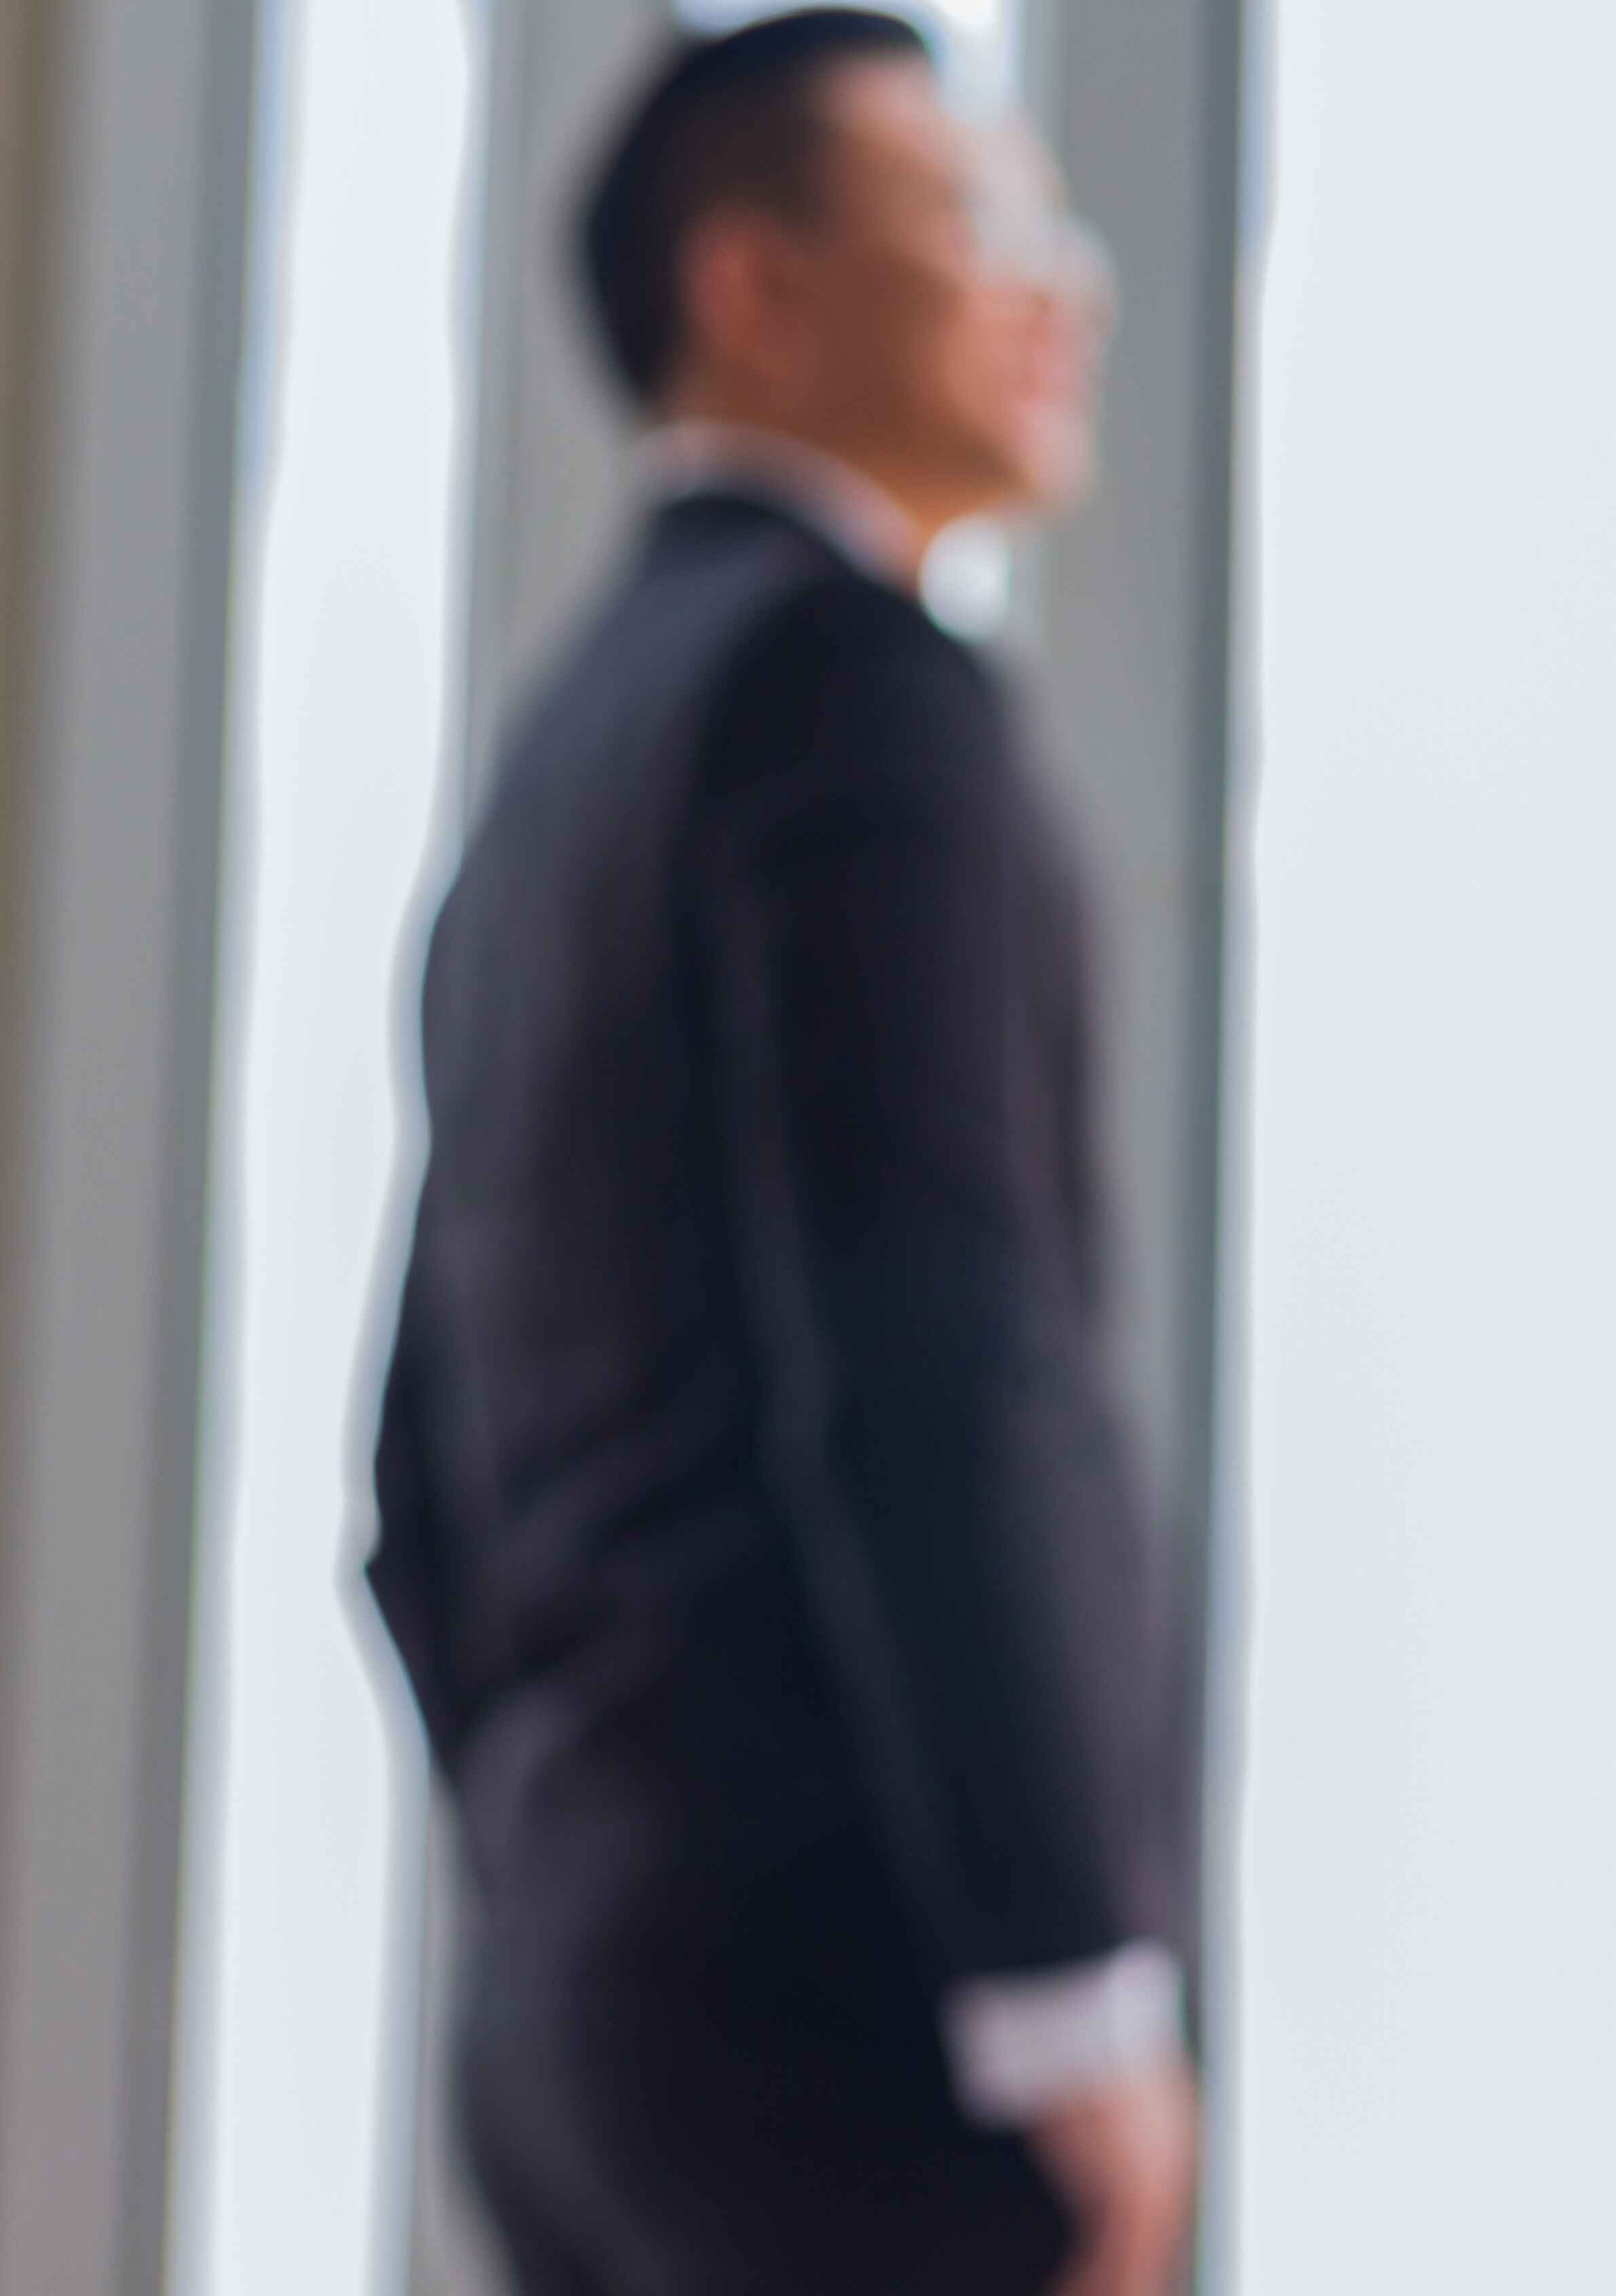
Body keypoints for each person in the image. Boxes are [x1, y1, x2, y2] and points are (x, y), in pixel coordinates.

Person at [364, 14, 1195, 2291]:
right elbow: (942, 1348)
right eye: (980, 217)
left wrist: (581, 1858)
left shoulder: (557, 763)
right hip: (858, 2029)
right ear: (760, 290)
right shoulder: (862, 695)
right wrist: (1070, 1987)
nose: (1070, 282)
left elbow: (416, 1486)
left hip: (578, 2011)